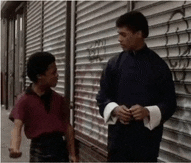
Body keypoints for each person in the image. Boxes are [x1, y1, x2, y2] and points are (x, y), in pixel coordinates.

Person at [96, 11, 177, 162]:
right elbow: (102, 96)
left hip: (147, 144)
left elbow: (170, 103)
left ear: (139, 33)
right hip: (117, 142)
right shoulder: (114, 64)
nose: (119, 39)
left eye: (124, 34)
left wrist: (147, 111)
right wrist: (115, 109)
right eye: (118, 34)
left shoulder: (158, 66)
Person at [9, 52, 77, 162]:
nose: (57, 75)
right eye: (53, 72)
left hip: (60, 150)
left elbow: (68, 127)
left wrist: (72, 155)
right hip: (39, 152)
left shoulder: (59, 99)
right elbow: (17, 127)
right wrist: (14, 147)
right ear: (40, 76)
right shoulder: (24, 100)